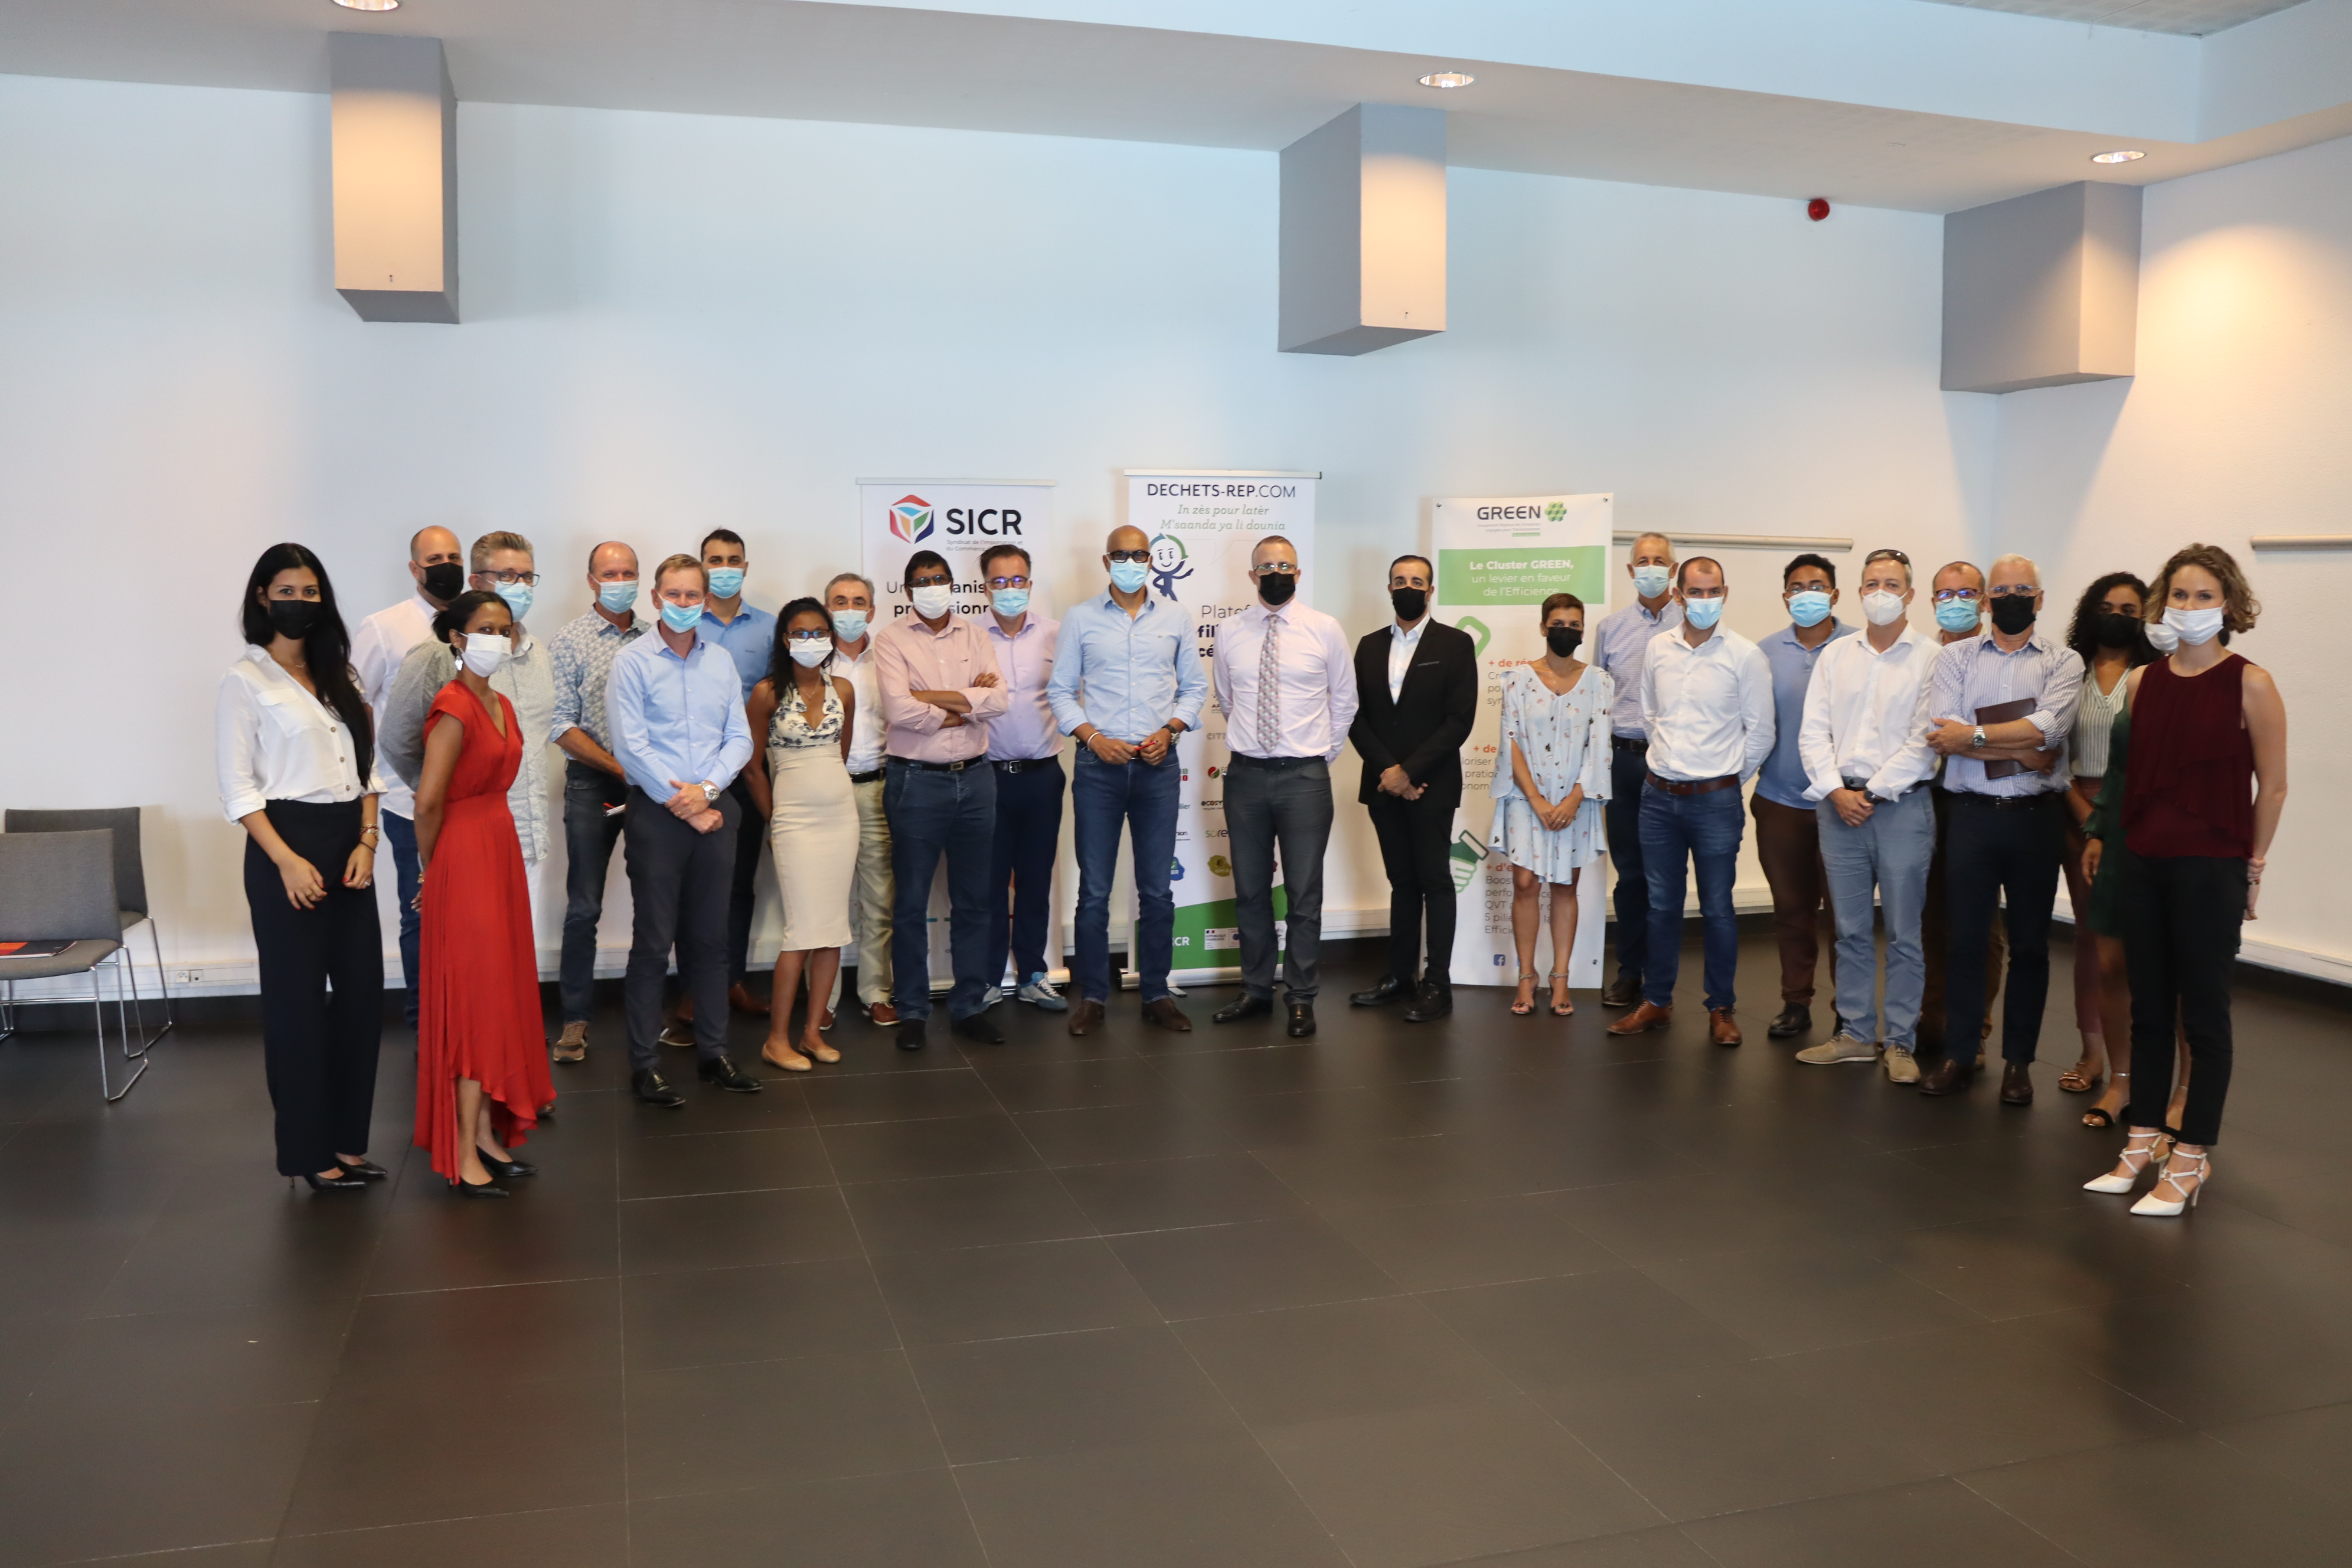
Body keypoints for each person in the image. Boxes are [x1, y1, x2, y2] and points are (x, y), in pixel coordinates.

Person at [2082, 544, 2287, 1216]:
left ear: (2228, 605)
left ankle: (2193, 1154)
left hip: (2212, 866)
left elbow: (2273, 786)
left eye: (2203, 596)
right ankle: (2142, 1140)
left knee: (2203, 1015)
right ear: (2162, 602)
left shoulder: (2251, 683)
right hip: (2144, 862)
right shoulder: (2143, 682)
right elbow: (2131, 779)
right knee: (2148, 1009)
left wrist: (2254, 868)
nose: (2189, 606)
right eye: (2179, 595)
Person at [216, 544, 387, 1191]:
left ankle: (347, 1142)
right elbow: (238, 790)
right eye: (286, 591)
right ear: (263, 597)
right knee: (297, 1006)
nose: (299, 601)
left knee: (362, 998)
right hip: (284, 845)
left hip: (349, 842)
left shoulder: (342, 675)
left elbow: (369, 769)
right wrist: (287, 861)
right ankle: (309, 1152)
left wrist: (368, 840)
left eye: (310, 591)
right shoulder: (245, 680)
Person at [1918, 553, 2082, 1102]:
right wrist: (2023, 748)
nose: (2013, 599)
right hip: (1971, 817)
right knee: (1964, 941)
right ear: (1987, 600)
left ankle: (2018, 1065)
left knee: (2032, 947)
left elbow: (2050, 727)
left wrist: (1977, 737)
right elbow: (1944, 732)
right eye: (2003, 591)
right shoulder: (1955, 658)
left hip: (2037, 820)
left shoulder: (2065, 661)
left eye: (2023, 590)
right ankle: (1960, 1056)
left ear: (2040, 599)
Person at [606, 554, 765, 1106]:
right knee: (653, 943)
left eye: (692, 595)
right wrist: (687, 805)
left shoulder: (719, 661)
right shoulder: (631, 662)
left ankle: (714, 1054)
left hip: (714, 810)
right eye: (673, 594)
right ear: (655, 599)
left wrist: (710, 791)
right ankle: (645, 1065)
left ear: (705, 599)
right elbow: (630, 746)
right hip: (658, 816)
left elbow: (740, 738)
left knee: (712, 941)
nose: (682, 603)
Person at [410, 590, 553, 1197]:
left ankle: (489, 1132)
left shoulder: (502, 703)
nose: (498, 637)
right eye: (485, 628)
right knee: (475, 1004)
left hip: (499, 848)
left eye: (505, 628)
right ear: (458, 637)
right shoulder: (452, 705)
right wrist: (433, 871)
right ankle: (462, 1149)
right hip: (465, 856)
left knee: (501, 994)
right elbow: (427, 803)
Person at [378, 533, 558, 1002]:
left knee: (509, 959)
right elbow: (397, 738)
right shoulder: (436, 655)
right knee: (449, 954)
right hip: (453, 828)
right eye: (507, 575)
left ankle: (503, 1041)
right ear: (476, 581)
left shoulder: (538, 654)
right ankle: (435, 1036)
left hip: (521, 832)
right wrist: (444, 790)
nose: (519, 585)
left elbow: (536, 740)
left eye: (527, 576)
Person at [1048, 526, 1208, 1037]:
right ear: (1106, 560)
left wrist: (1171, 729)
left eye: (1140, 554)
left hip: (1158, 766)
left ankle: (1157, 992)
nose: (1132, 562)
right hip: (1099, 768)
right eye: (1122, 554)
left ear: (1151, 560)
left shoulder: (1176, 617)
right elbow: (1060, 692)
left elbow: (1195, 687)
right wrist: (1094, 738)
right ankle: (1093, 997)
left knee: (1157, 890)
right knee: (1094, 892)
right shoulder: (1080, 618)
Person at [1608, 557, 1772, 1047]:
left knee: (1718, 908)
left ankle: (1721, 1008)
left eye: (1713, 591)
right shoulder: (1659, 648)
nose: (1705, 600)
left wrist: (1725, 778)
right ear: (1678, 595)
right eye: (1695, 592)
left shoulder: (1745, 656)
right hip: (1658, 797)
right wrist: (1670, 765)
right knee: (1661, 906)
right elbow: (1650, 714)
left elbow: (1761, 732)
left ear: (1725, 593)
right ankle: (1657, 1001)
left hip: (1715, 801)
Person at [1793, 549, 1940, 1081]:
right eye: (1872, 583)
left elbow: (1925, 740)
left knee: (1903, 933)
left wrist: (1871, 794)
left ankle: (1900, 1043)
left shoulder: (1930, 658)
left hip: (1901, 808)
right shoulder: (1836, 656)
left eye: (1892, 584)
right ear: (1858, 592)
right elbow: (1813, 731)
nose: (1881, 592)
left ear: (1910, 594)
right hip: (1839, 808)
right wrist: (1837, 791)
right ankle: (1855, 1033)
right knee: (1849, 929)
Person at [1210, 535, 1359, 1039]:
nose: (1276, 573)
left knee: (1303, 894)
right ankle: (1255, 990)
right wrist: (1257, 746)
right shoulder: (1230, 632)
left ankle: (1300, 996)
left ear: (1298, 573)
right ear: (1252, 575)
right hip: (1246, 777)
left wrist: (1317, 754)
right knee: (1250, 892)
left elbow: (1345, 700)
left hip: (1304, 779)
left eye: (1285, 566)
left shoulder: (1325, 629)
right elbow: (1227, 699)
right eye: (1267, 566)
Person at [876, 549, 1010, 1048]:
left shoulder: (976, 635)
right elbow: (898, 710)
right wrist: (966, 700)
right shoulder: (890, 639)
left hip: (976, 779)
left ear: (952, 584)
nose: (932, 587)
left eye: (939, 579)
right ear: (908, 590)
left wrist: (928, 696)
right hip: (917, 782)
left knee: (975, 900)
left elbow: (998, 701)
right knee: (911, 901)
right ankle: (912, 1009)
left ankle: (969, 1005)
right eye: (922, 581)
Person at [1347, 553, 1479, 1021]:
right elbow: (1355, 716)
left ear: (1431, 590)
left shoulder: (1456, 644)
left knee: (1435, 881)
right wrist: (1390, 771)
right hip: (1384, 785)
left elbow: (1459, 720)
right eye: (1399, 580)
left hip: (1432, 785)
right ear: (1389, 588)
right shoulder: (1368, 645)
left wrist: (1411, 772)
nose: (1408, 587)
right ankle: (1400, 976)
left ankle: (1437, 984)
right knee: (1401, 883)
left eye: (1417, 581)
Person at [349, 525, 465, 1026]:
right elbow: (354, 705)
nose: (447, 566)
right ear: (415, 569)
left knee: (469, 913)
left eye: (454, 557)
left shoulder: (476, 622)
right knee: (421, 910)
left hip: (469, 798)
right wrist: (367, 784)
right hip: (406, 799)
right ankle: (426, 1021)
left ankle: (465, 1018)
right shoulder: (384, 627)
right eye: (435, 559)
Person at [2060, 572, 2159, 1125]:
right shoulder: (2068, 671)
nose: (2116, 617)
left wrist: (2111, 821)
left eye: (2129, 609)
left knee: (2136, 945)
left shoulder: (2155, 675)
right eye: (2106, 607)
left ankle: (2139, 1061)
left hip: (2134, 815)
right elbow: (2053, 750)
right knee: (2090, 939)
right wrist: (2086, 817)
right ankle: (2092, 1052)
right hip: (2074, 808)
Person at [743, 600, 858, 1072]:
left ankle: (812, 1033)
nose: (811, 641)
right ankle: (776, 1040)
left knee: (831, 929)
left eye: (819, 632)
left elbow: (840, 755)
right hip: (793, 820)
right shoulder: (766, 693)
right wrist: (775, 819)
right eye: (800, 633)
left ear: (831, 636)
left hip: (841, 817)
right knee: (800, 932)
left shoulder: (844, 690)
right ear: (785, 639)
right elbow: (752, 767)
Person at [544, 542, 646, 1063]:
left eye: (628, 572)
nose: (620, 581)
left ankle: (646, 1012)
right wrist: (617, 767)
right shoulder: (569, 640)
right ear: (591, 580)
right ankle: (575, 1018)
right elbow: (560, 723)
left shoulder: (655, 637)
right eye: (610, 573)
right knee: (584, 904)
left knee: (655, 899)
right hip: (593, 784)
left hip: (649, 785)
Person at [1490, 594, 1612, 1018]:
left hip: (1577, 800)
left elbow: (1600, 745)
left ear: (1583, 630)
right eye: (1558, 624)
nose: (1566, 631)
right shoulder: (1517, 680)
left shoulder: (1599, 681)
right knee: (1524, 883)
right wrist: (1537, 800)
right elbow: (1510, 742)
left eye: (1574, 625)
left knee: (1565, 886)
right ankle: (1527, 976)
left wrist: (1575, 799)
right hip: (1526, 797)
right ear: (1543, 627)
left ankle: (1561, 977)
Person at [1751, 554, 1852, 1040]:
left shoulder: (1858, 647)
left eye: (1817, 585)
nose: (1806, 593)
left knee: (1846, 916)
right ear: (1785, 596)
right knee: (1791, 910)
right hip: (1780, 801)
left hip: (1845, 805)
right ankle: (1796, 1002)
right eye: (1797, 586)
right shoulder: (1764, 653)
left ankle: (1850, 1010)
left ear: (1835, 594)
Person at [1916, 560, 2007, 1056]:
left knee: (1979, 923)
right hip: (1924, 796)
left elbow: (2012, 739)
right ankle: (1934, 1017)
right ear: (1932, 602)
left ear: (1985, 601)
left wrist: (1968, 742)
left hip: (1979, 799)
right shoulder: (1921, 656)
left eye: (1966, 593)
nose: (1955, 603)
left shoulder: (2001, 658)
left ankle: (1976, 1027)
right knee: (1930, 917)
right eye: (1945, 595)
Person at [1591, 533, 1683, 1010]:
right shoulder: (1611, 628)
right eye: (1642, 561)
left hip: (1673, 763)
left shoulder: (1693, 622)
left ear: (1674, 569)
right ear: (1630, 571)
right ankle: (1630, 971)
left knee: (1665, 875)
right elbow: (1596, 701)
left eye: (1659, 561)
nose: (1650, 568)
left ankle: (1661, 977)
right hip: (1623, 762)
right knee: (1630, 875)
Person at [978, 544, 1069, 1014]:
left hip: (1042, 777)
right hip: (988, 778)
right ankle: (988, 978)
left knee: (1035, 880)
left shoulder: (1057, 634)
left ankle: (1033, 973)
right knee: (989, 884)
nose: (1009, 589)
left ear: (1030, 584)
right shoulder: (970, 638)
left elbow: (1074, 695)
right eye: (999, 581)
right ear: (985, 587)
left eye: (1017, 581)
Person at [694, 528, 779, 1023]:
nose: (724, 568)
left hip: (747, 772)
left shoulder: (769, 629)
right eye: (715, 560)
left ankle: (731, 983)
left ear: (746, 567)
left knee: (740, 883)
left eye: (733, 560)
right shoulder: (684, 622)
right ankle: (694, 989)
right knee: (695, 886)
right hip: (694, 773)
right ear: (702, 565)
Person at [827, 572, 894, 1025]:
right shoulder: (810, 660)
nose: (849, 610)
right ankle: (824, 1001)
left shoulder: (889, 657)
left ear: (871, 611)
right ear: (827, 608)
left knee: (879, 897)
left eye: (858, 602)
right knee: (824, 898)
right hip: (826, 792)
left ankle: (876, 992)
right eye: (840, 601)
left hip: (877, 788)